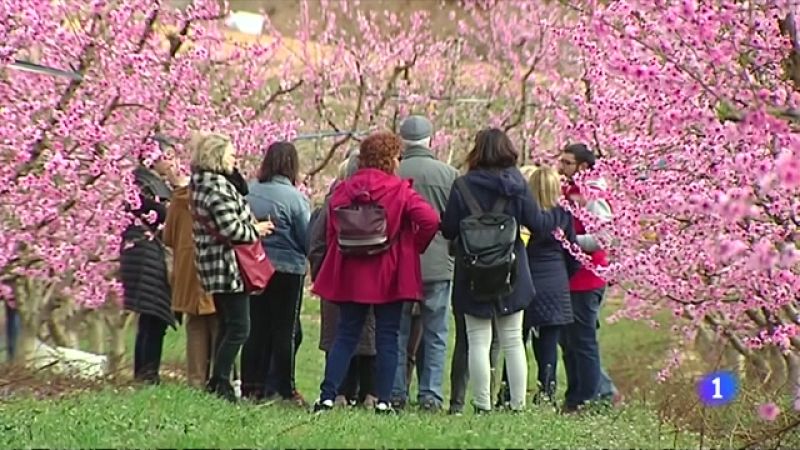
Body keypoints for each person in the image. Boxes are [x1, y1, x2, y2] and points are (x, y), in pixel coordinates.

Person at [312, 131, 440, 414]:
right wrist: (412, 244)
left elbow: (332, 228)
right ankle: (383, 400)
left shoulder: (343, 189)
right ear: (390, 159)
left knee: (345, 334)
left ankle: (327, 396)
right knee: (388, 336)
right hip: (389, 272)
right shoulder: (399, 190)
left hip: (350, 272)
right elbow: (430, 219)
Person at [441, 128, 558, 413]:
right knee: (513, 340)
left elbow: (448, 229)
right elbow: (539, 224)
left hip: (473, 271)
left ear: (477, 151)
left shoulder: (463, 185)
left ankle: (483, 404)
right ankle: (516, 405)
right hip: (511, 270)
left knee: (478, 340)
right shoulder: (517, 184)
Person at [189, 132, 274, 402]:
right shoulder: (216, 186)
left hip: (214, 265)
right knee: (240, 327)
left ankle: (219, 380)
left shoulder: (200, 184)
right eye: (230, 153)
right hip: (228, 266)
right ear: (216, 156)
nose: (235, 158)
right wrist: (256, 229)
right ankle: (220, 381)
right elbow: (231, 228)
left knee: (227, 325)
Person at [391, 115, 458, 411]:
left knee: (397, 330)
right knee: (436, 332)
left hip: (398, 263)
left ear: (401, 139)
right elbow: (454, 222)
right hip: (438, 263)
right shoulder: (449, 174)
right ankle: (430, 394)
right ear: (431, 140)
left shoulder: (392, 172)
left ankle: (395, 392)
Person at [242, 141, 310, 406]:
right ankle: (283, 387)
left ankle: (251, 384)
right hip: (288, 270)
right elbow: (306, 236)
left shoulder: (249, 190)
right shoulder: (295, 198)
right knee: (286, 330)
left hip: (255, 266)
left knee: (256, 328)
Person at [310, 152, 378, 408]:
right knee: (369, 335)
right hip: (371, 279)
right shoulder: (380, 200)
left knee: (340, 335)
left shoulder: (332, 202)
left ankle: (338, 392)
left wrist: (321, 275)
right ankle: (370, 394)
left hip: (336, 279)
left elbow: (316, 245)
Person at [557, 142, 620, 412]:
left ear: (583, 167)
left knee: (582, 340)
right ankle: (576, 395)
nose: (561, 167)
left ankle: (593, 396)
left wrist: (570, 241)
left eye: (567, 163)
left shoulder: (594, 195)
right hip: (568, 279)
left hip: (586, 278)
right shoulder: (568, 191)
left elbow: (603, 237)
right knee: (568, 341)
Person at [524, 166, 580, 405]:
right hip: (556, 283)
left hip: (527, 281)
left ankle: (507, 391)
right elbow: (573, 253)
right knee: (548, 345)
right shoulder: (563, 215)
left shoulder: (526, 215)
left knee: (516, 340)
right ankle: (546, 392)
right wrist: (564, 277)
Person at [120, 163, 177, 384]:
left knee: (150, 319)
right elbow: (160, 213)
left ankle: (144, 373)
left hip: (146, 253)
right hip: (147, 255)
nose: (172, 162)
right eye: (168, 155)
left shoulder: (149, 182)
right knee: (154, 317)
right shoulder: (143, 182)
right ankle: (147, 374)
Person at [163, 181, 219, 389]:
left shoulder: (179, 199)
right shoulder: (219, 194)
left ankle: (196, 381)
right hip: (216, 266)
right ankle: (218, 380)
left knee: (195, 324)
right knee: (220, 323)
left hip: (188, 269)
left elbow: (168, 237)